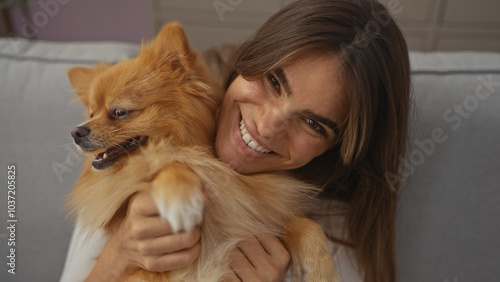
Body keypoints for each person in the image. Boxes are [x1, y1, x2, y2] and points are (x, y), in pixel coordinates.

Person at [60, 0, 410, 281]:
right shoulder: (119, 168)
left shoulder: (336, 230)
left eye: (312, 123)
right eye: (274, 81)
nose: (268, 126)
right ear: (252, 55)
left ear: (338, 147)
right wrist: (119, 254)